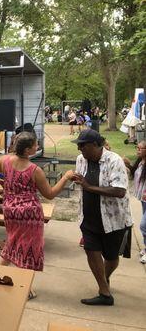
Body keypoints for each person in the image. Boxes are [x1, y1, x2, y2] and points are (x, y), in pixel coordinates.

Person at [0, 132, 73, 299]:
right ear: (27, 150)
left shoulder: (4, 161)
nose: (37, 147)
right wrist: (66, 177)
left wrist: (1, 183)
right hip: (29, 214)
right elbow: (50, 194)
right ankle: (25, 288)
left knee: (11, 243)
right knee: (30, 249)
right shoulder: (35, 170)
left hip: (10, 210)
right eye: (35, 145)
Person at [70, 129, 132, 306]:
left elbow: (120, 191)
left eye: (83, 145)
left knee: (111, 257)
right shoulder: (81, 159)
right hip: (88, 217)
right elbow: (81, 181)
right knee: (91, 250)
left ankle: (103, 279)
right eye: (78, 145)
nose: (80, 149)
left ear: (96, 145)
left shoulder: (115, 161)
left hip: (114, 220)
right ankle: (105, 292)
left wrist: (89, 187)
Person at [123, 140, 146, 264]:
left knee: (143, 225)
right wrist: (128, 164)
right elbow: (134, 174)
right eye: (137, 148)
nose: (137, 150)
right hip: (143, 199)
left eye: (140, 148)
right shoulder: (141, 162)